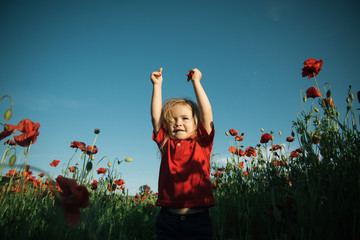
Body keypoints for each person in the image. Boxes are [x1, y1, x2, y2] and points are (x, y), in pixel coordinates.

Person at [150, 67, 215, 240]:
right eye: (172, 120)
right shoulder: (167, 144)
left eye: (185, 118)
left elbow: (207, 113)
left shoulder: (202, 143)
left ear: (196, 123)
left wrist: (196, 82)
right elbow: (156, 119)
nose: (178, 123)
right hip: (168, 221)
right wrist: (157, 86)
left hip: (198, 221)